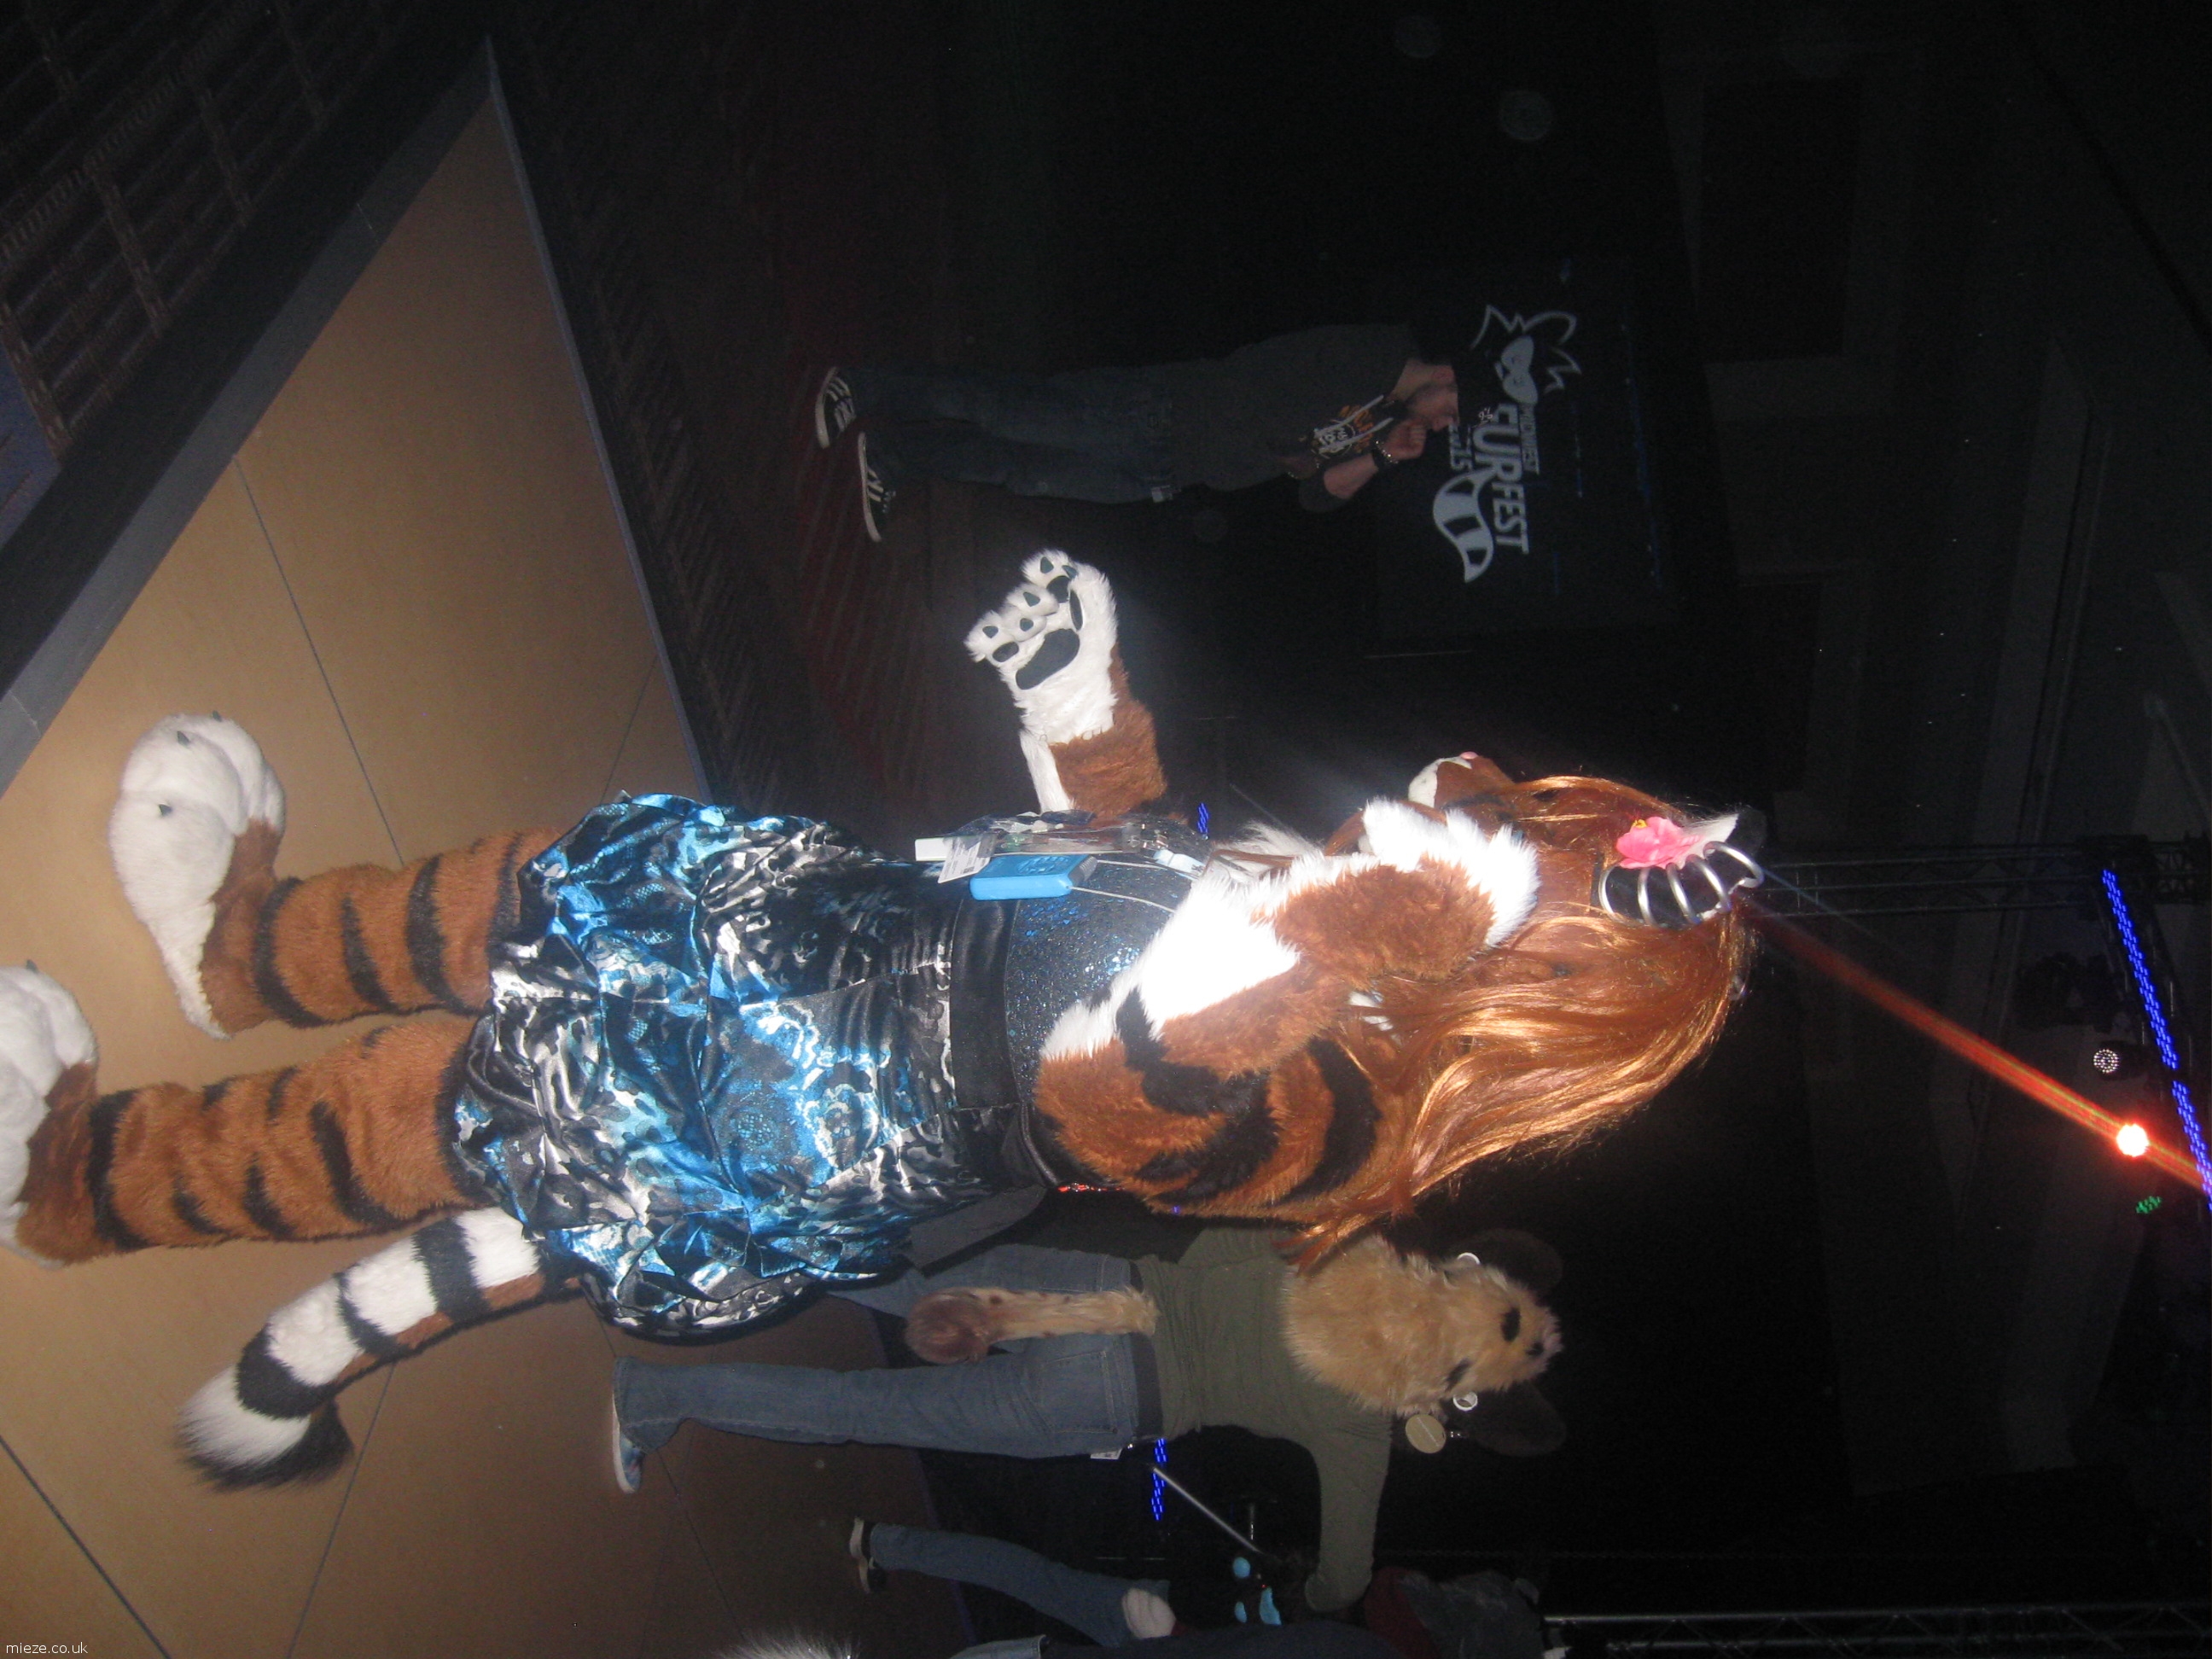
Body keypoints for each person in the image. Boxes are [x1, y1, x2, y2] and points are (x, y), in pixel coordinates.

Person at [613, 1230, 1396, 1618]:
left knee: (875, 1266)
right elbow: (1345, 1583)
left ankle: (680, 1236)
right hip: (1105, 1397)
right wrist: (1306, 1590)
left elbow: (1217, 1244)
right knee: (868, 1407)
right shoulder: (1362, 1417)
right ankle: (652, 1397)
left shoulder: (1361, 1251)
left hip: (1103, 1290)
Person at [811, 327, 1459, 540]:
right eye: (1455, 410)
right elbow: (1278, 409)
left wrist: (1381, 456)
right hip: (1162, 411)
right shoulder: (1373, 355)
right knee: (1005, 409)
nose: (1445, 425)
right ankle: (863, 387)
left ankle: (895, 457)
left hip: (1168, 471)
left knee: (1020, 469)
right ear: (1449, 378)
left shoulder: (1383, 421)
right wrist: (1308, 452)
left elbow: (1317, 495)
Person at [846, 1519, 1179, 1647]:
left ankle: (883, 1543)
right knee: (1027, 1577)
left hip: (1168, 1632)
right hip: (1163, 1634)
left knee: (1028, 1577)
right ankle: (883, 1544)